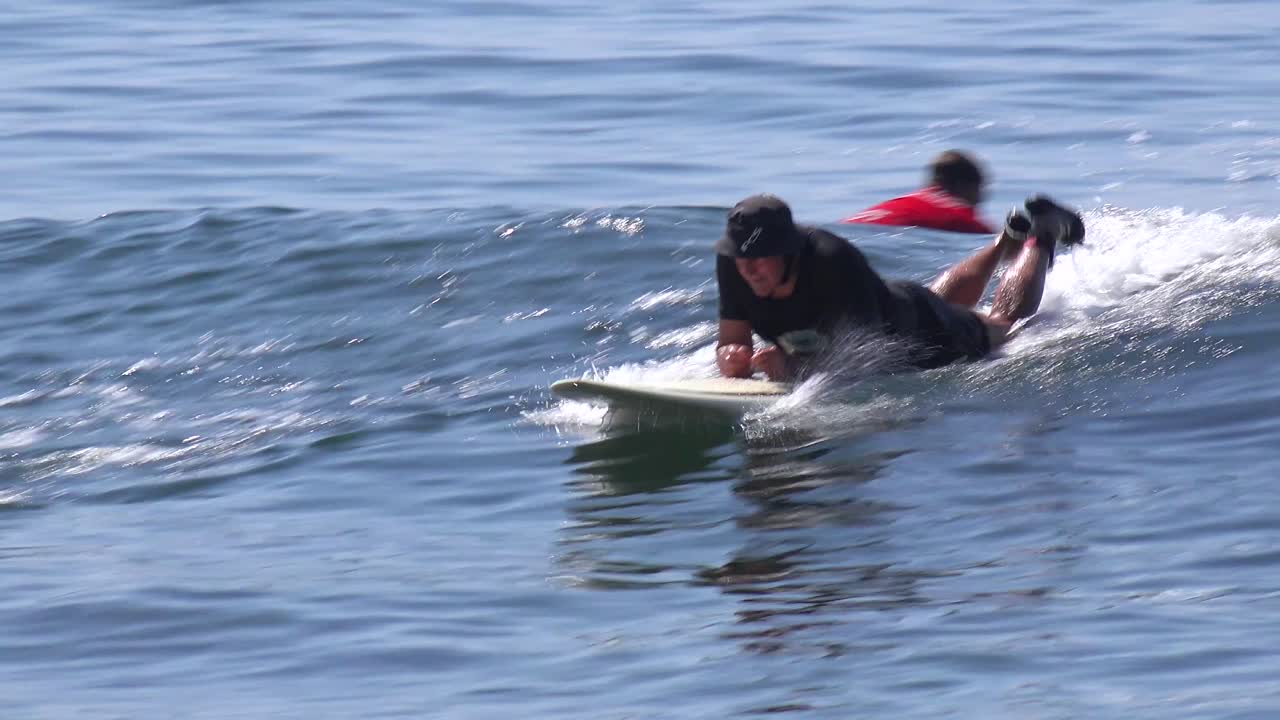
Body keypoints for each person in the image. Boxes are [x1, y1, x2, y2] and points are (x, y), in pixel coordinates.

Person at [714, 193, 1084, 381]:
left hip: (921, 333)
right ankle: (1005, 241)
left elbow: (861, 362)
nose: (748, 269)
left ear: (788, 251)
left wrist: (790, 365)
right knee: (938, 300)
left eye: (760, 258)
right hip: (893, 302)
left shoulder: (832, 262)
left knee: (1002, 324)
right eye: (741, 258)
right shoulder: (735, 263)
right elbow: (734, 336)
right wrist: (731, 353)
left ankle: (1042, 234)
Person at [840, 150, 994, 234]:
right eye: (979, 194)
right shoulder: (961, 216)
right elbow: (1001, 246)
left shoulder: (899, 204)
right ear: (964, 187)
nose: (978, 203)